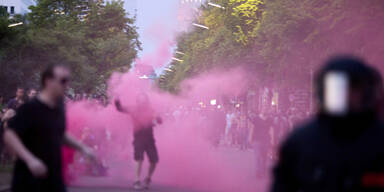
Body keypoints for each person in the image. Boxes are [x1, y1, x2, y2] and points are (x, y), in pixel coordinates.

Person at [271, 56, 384, 192]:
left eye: (352, 89)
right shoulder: (300, 141)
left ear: (366, 93)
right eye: (337, 88)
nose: (344, 95)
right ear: (324, 91)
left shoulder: (380, 140)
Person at [3, 64, 94, 192]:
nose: (66, 85)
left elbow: (60, 134)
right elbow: (10, 135)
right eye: (63, 81)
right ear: (48, 81)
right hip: (29, 180)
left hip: (54, 178)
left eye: (68, 80)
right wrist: (30, 160)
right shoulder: (31, 108)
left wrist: (83, 148)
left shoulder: (59, 108)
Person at [115, 93, 161, 190]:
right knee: (139, 158)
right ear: (138, 101)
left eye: (144, 100)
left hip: (150, 139)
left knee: (154, 160)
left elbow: (160, 120)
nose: (142, 102)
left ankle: (148, 178)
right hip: (138, 138)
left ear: (147, 101)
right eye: (140, 100)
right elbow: (120, 108)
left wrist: (158, 118)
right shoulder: (133, 109)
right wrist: (117, 100)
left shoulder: (151, 110)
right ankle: (136, 180)